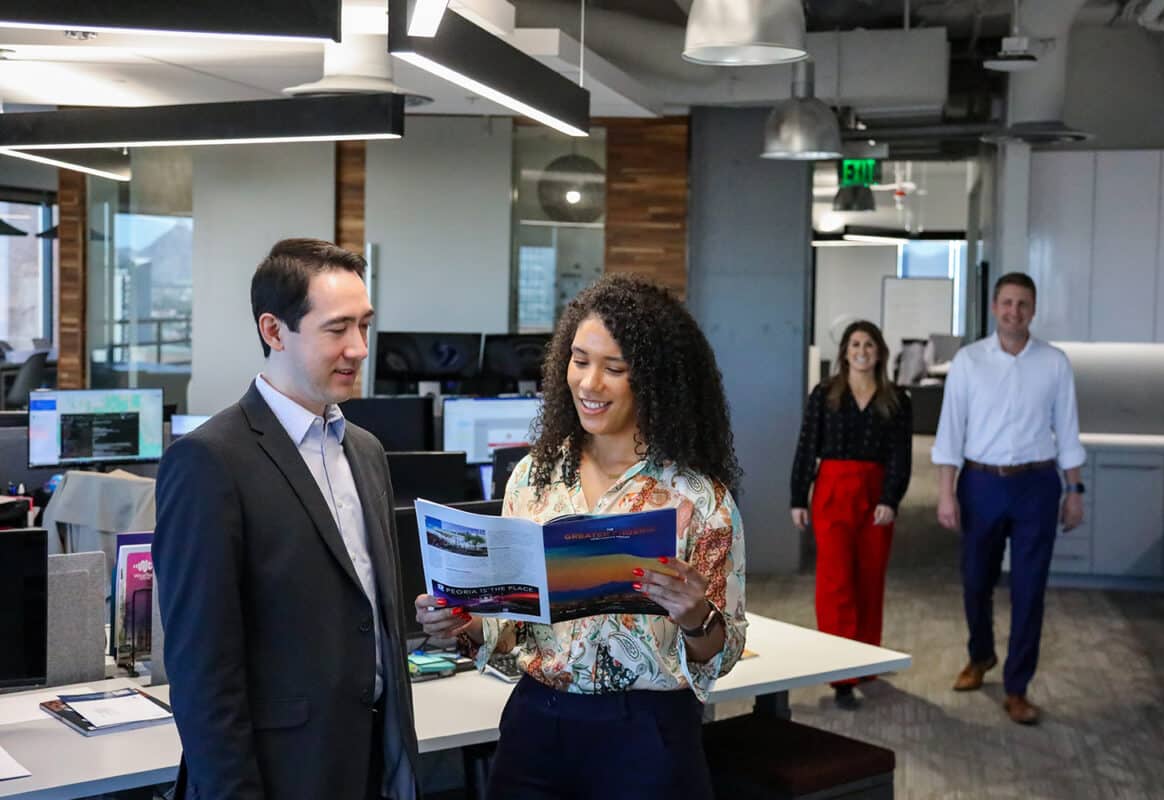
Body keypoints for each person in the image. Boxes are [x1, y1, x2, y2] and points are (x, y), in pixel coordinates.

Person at [416, 274, 747, 800]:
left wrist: (695, 615)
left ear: (655, 380)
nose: (589, 383)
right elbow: (509, 628)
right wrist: (461, 621)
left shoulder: (699, 499)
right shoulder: (534, 476)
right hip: (536, 724)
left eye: (614, 368)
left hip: (648, 733)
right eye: (579, 359)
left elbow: (722, 652)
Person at [153, 239, 418, 799]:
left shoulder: (365, 450)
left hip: (370, 760)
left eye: (365, 326)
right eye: (337, 329)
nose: (360, 348)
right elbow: (202, 672)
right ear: (274, 331)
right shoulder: (209, 461)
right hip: (278, 774)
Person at [932, 272, 1086, 725]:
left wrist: (1074, 490)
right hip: (980, 484)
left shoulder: (1054, 363)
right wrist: (945, 494)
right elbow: (950, 433)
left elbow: (1069, 431)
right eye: (1007, 303)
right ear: (995, 307)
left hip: (1037, 486)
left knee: (1029, 589)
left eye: (1023, 304)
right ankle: (981, 656)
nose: (1014, 311)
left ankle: (1018, 687)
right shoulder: (969, 361)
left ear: (1033, 311)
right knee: (976, 580)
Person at [789, 320, 912, 710]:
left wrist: (891, 498)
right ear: (844, 351)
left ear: (880, 352)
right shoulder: (825, 394)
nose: (862, 350)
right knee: (835, 581)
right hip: (832, 492)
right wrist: (798, 496)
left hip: (875, 493)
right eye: (855, 344)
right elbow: (807, 446)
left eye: (870, 344)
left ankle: (865, 659)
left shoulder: (897, 399)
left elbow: (900, 456)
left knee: (869, 578)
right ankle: (840, 672)